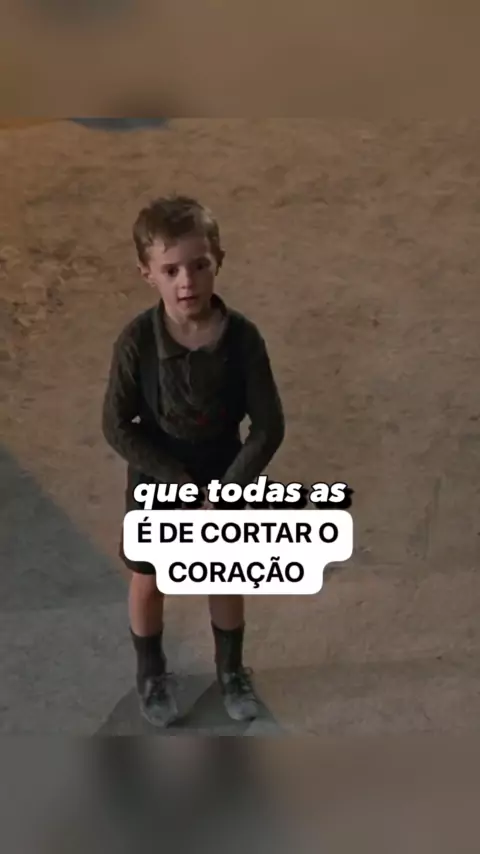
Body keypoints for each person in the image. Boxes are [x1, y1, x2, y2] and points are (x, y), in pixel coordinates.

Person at [101, 194, 285, 728]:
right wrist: (178, 483)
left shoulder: (242, 339)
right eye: (171, 270)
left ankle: (231, 670)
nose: (187, 281)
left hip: (225, 473)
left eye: (199, 265)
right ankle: (151, 672)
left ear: (218, 260)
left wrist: (227, 491)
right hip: (158, 475)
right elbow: (117, 425)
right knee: (149, 576)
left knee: (222, 574)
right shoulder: (137, 342)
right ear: (147, 273)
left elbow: (268, 426)